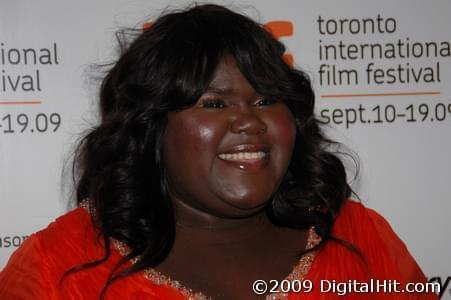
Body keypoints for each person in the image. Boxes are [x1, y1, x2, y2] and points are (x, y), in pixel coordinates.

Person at [0, 4, 438, 300]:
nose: (250, 120)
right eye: (214, 104)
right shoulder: (58, 269)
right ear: (151, 127)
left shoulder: (360, 237)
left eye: (267, 100)